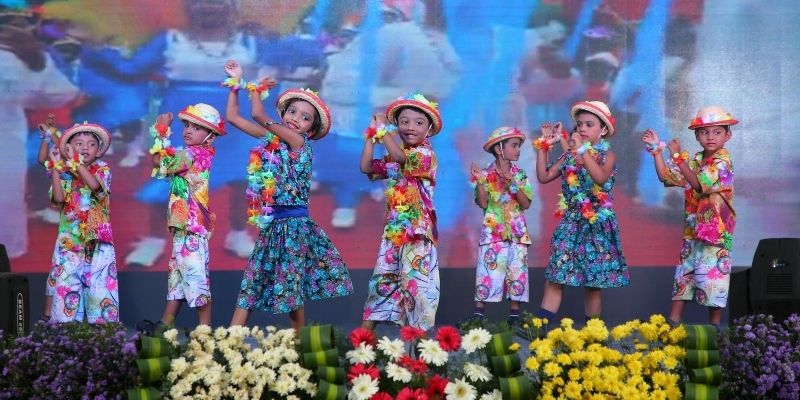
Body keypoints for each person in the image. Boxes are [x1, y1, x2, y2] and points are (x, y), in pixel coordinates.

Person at [223, 60, 353, 330]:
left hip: (294, 226)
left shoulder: (299, 143)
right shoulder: (272, 140)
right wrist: (235, 85)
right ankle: (231, 339)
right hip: (272, 224)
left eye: (305, 117)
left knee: (290, 288)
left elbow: (258, 114)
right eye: (292, 111)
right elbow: (233, 117)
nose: (295, 118)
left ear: (311, 130)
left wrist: (256, 89)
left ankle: (299, 342)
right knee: (251, 281)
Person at [533, 100, 629, 325]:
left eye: (589, 124)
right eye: (579, 124)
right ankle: (539, 329)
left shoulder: (607, 156)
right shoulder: (569, 156)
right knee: (556, 276)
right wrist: (544, 147)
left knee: (592, 284)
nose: (582, 129)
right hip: (571, 223)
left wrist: (582, 151)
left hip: (596, 225)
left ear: (603, 129)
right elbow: (544, 176)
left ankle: (592, 333)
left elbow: (600, 177)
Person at [641, 106, 737, 326]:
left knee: (714, 280)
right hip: (693, 232)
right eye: (704, 132)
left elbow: (699, 184)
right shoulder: (696, 160)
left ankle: (714, 330)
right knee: (683, 278)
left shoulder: (723, 162)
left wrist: (677, 157)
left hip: (717, 233)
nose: (710, 137)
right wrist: (657, 151)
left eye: (717, 132)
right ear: (697, 136)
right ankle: (673, 323)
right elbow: (666, 176)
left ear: (728, 136)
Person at [360, 93, 441, 331]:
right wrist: (371, 136)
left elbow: (399, 157)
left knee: (416, 288)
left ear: (429, 129)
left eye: (418, 122)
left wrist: (383, 129)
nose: (410, 127)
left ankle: (420, 349)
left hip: (417, 232)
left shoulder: (425, 154)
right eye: (404, 122)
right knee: (381, 283)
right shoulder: (395, 153)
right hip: (394, 232)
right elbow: (366, 167)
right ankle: (361, 344)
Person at [150, 104, 225, 327]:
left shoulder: (194, 154)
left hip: (191, 228)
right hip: (184, 228)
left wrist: (162, 130)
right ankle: (164, 328)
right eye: (187, 126)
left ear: (211, 137)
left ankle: (205, 333)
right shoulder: (191, 153)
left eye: (197, 128)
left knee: (197, 284)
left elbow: (160, 162)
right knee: (177, 284)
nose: (189, 130)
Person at [40, 121, 119, 323]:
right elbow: (58, 199)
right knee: (67, 290)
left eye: (91, 144)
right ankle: (65, 331)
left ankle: (102, 335)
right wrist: (56, 169)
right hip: (71, 242)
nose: (85, 148)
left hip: (98, 242)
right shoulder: (66, 175)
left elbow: (95, 187)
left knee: (100, 292)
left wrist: (77, 163)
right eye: (79, 143)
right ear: (69, 148)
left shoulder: (102, 170)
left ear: (98, 150)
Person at [469, 126, 533, 326]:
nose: (518, 150)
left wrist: (513, 184)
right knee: (486, 273)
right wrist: (480, 182)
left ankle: (514, 318)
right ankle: (478, 318)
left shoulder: (520, 175)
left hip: (517, 233)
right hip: (493, 234)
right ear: (499, 149)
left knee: (517, 274)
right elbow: (483, 203)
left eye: (519, 146)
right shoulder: (485, 174)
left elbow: (526, 204)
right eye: (514, 145)